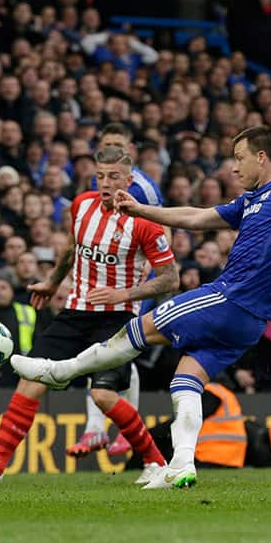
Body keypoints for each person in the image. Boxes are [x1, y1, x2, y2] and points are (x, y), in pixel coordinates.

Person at [11, 125, 271, 489]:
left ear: (262, 157)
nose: (234, 169)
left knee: (139, 329)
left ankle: (61, 371)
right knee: (186, 380)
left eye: (240, 159)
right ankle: (180, 464)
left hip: (229, 298)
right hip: (249, 318)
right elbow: (197, 218)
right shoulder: (253, 199)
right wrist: (141, 210)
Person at [0, 145, 178, 485]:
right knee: (31, 380)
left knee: (102, 395)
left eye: (114, 177)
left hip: (116, 320)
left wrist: (123, 294)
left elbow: (170, 279)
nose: (106, 183)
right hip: (74, 312)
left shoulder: (145, 222)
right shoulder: (82, 206)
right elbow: (72, 250)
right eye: (100, 176)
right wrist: (51, 282)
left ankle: (156, 461)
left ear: (129, 180)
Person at [67, 123, 164, 458]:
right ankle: (100, 429)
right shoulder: (96, 188)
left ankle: (116, 429)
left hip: (132, 283)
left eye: (117, 145)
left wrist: (142, 279)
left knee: (121, 349)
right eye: (105, 143)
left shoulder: (145, 189)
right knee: (103, 350)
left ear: (130, 152)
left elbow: (159, 226)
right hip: (99, 283)